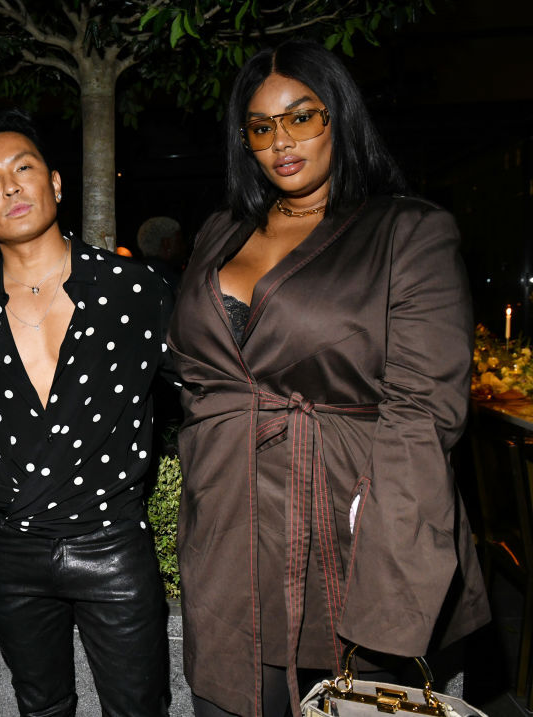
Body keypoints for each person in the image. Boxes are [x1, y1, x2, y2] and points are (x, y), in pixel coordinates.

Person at [167, 40, 491, 717]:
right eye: (261, 126)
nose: (281, 140)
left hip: (349, 531)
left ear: (338, 117)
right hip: (229, 534)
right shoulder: (221, 230)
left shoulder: (406, 231)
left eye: (301, 116)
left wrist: (389, 588)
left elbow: (423, 412)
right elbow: (199, 378)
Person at [0, 106, 173, 716]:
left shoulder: (136, 290)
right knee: (40, 709)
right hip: (10, 551)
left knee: (139, 709)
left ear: (55, 183)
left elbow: (209, 389)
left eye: (24, 168)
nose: (11, 186)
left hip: (112, 545)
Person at [136, 216, 184, 287]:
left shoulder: (135, 274)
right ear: (166, 243)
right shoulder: (171, 280)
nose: (183, 247)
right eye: (179, 242)